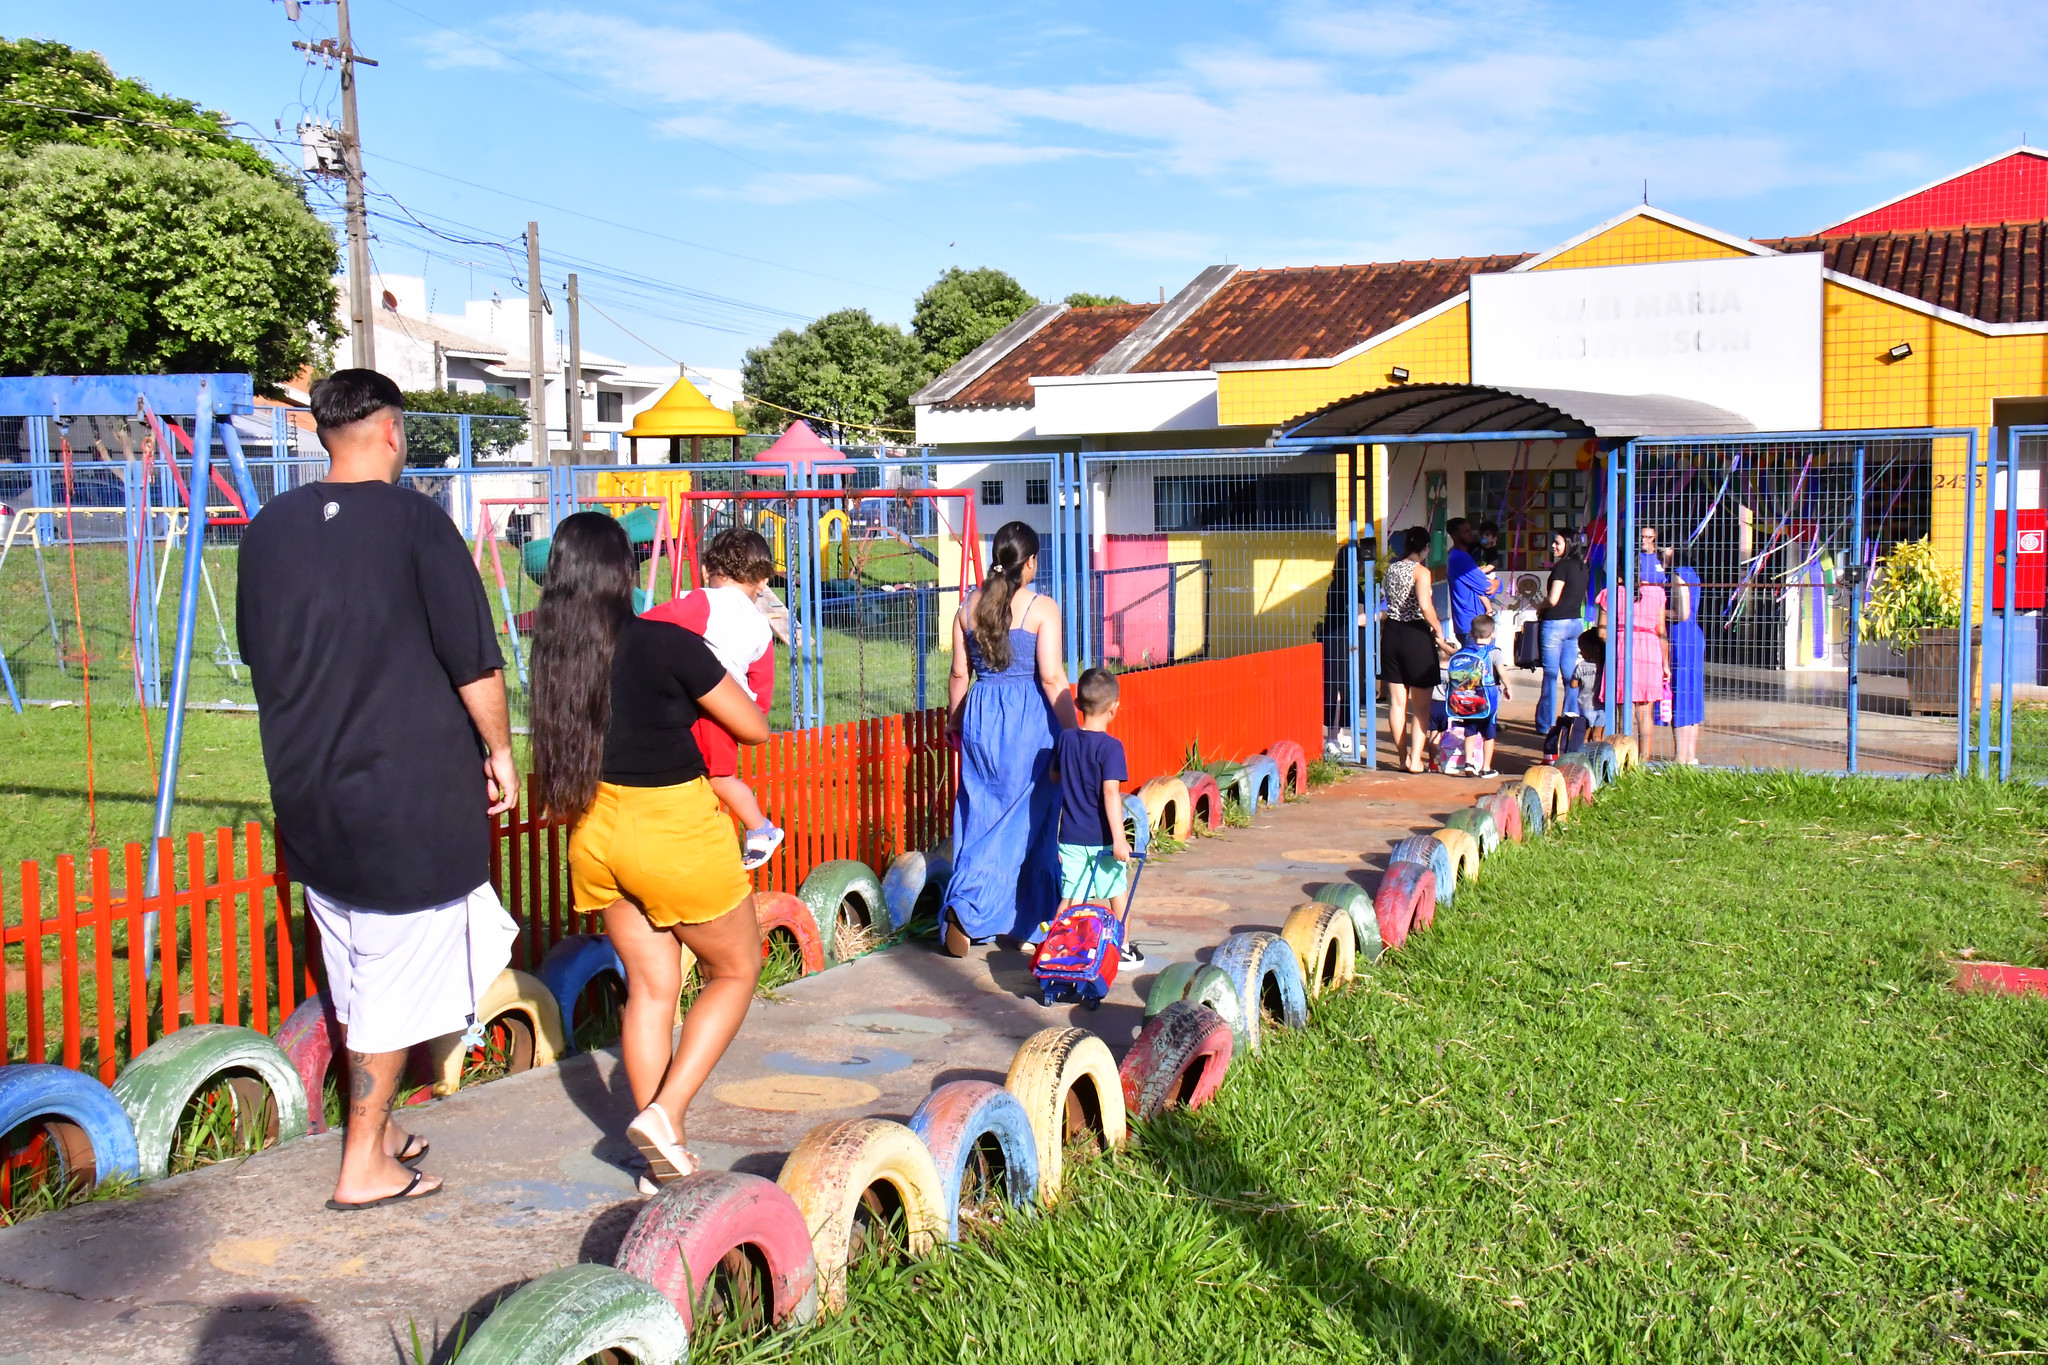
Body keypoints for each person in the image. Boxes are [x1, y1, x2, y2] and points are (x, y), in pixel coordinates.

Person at [237, 368, 520, 1210]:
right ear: (393, 431)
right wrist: (501, 750)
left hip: (308, 781)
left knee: (354, 958)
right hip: (405, 792)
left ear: (325, 433)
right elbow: (474, 661)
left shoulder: (269, 528)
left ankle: (383, 1127)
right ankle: (364, 1161)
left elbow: (261, 653)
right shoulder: (416, 524)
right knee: (397, 976)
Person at [531, 513, 771, 1191]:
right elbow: (749, 726)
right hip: (671, 831)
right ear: (623, 575)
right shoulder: (667, 643)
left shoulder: (555, 657)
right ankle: (665, 1110)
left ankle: (659, 1158)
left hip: (596, 834)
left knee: (653, 989)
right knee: (734, 969)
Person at [943, 521, 1075, 957]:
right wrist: (1074, 735)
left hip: (981, 718)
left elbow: (960, 673)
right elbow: (1052, 678)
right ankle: (1024, 920)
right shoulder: (1041, 608)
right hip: (1030, 726)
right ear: (1031, 561)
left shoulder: (968, 607)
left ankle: (969, 907)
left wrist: (955, 722)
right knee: (1032, 824)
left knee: (981, 816)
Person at [643, 528, 784, 868]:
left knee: (715, 777)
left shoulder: (705, 602)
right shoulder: (761, 625)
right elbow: (761, 682)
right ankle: (749, 827)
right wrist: (751, 717)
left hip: (706, 707)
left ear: (708, 570)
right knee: (717, 776)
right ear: (762, 582)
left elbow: (652, 622)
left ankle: (761, 827)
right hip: (733, 710)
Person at [1049, 668, 1138, 962]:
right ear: (1115, 709)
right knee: (1116, 890)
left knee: (1072, 895)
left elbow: (1053, 776)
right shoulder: (1112, 748)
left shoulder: (1066, 740)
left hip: (1071, 837)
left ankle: (1060, 947)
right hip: (1101, 839)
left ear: (1077, 705)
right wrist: (1120, 840)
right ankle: (1122, 947)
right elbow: (1111, 794)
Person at [1378, 526, 1449, 774]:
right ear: (1426, 548)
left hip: (1392, 634)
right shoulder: (1422, 572)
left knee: (1397, 704)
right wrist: (1439, 631)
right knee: (1421, 706)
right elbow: (1425, 605)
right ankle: (1416, 761)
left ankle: (1401, 758)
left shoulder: (1391, 569)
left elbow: (1389, 602)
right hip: (1416, 635)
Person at [1597, 571, 1670, 763]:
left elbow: (1602, 632)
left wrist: (1615, 643)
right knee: (1646, 712)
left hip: (1622, 648)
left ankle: (1623, 758)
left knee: (1624, 710)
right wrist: (1665, 663)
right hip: (1650, 649)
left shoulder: (1610, 594)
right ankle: (1644, 758)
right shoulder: (1657, 593)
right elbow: (1661, 630)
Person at [1443, 615, 1510, 778]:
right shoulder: (1494, 652)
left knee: (1470, 732)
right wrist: (1508, 687)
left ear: (1471, 634)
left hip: (1466, 701)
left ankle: (1469, 763)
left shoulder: (1464, 651)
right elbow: (1502, 672)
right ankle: (1486, 768)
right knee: (1489, 735)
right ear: (1492, 634)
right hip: (1487, 700)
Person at [1537, 532, 1589, 734]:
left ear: (1568, 544)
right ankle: (1570, 717)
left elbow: (1552, 599)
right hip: (1575, 623)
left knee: (1550, 675)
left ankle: (1546, 724)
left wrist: (1539, 607)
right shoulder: (1582, 567)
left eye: (1557, 542)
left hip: (1554, 624)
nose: (1553, 546)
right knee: (1570, 674)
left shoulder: (1561, 567)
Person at [1663, 547, 1705, 764]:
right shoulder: (1692, 572)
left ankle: (1680, 757)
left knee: (1680, 694)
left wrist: (1655, 611)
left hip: (1681, 637)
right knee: (1692, 694)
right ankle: (1690, 755)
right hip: (1693, 636)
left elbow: (1682, 612)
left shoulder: (1678, 573)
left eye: (1664, 547)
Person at [1444, 517, 1498, 644]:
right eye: (1466, 532)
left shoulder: (1467, 553)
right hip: (1472, 624)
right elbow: (1487, 589)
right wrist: (1497, 583)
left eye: (1470, 530)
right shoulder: (1460, 558)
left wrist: (1497, 582)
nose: (1471, 534)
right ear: (1455, 535)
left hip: (1474, 621)